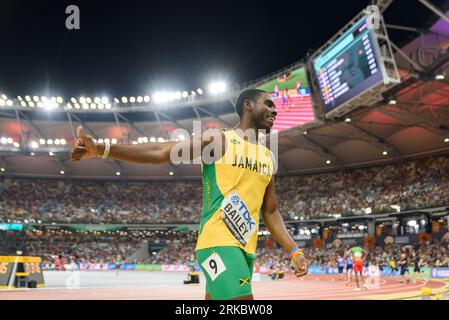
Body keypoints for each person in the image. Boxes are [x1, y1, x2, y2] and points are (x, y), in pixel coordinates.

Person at [70, 88, 309, 300]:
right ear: (248, 106)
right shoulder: (219, 139)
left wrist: (294, 249)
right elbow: (162, 151)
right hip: (217, 242)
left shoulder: (268, 157)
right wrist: (102, 149)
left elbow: (271, 211)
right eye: (268, 104)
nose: (274, 111)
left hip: (246, 249)